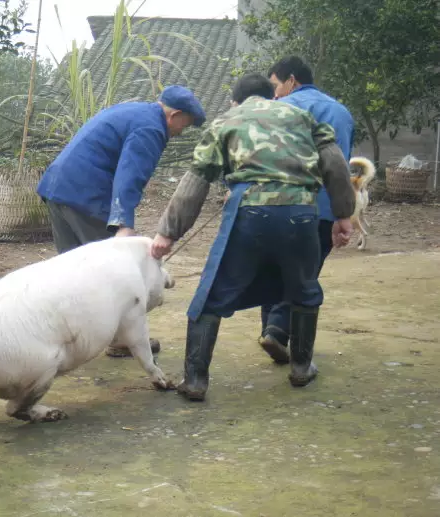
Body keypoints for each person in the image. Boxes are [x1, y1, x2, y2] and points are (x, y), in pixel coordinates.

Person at [151, 73, 356, 402]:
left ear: (236, 101)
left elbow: (196, 180)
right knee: (304, 291)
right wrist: (344, 215)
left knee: (212, 295)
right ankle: (301, 368)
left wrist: (168, 233)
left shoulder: (227, 119)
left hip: (251, 213)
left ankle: (195, 380)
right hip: (302, 214)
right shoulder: (303, 116)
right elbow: (336, 164)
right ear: (272, 97)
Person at [37, 85, 206, 358]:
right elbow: (130, 176)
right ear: (175, 115)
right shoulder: (152, 129)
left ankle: (71, 338)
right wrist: (122, 223)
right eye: (184, 125)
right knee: (113, 276)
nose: (181, 132)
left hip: (58, 190)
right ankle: (121, 339)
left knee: (74, 273)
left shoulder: (133, 110)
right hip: (86, 197)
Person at [258, 56, 356, 364]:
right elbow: (340, 169)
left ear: (291, 80)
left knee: (273, 270)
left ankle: (271, 332)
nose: (273, 93)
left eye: (275, 85)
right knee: (304, 275)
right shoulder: (340, 113)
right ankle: (280, 335)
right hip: (320, 210)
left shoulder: (275, 110)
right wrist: (343, 215)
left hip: (273, 205)